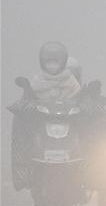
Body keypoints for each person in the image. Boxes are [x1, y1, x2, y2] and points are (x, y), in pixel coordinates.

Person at [10, 42, 82, 192]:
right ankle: (24, 174)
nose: (52, 66)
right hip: (41, 127)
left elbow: (80, 100)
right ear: (42, 63)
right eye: (49, 62)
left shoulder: (72, 82)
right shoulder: (36, 82)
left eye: (55, 62)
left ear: (62, 63)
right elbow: (27, 101)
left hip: (69, 126)